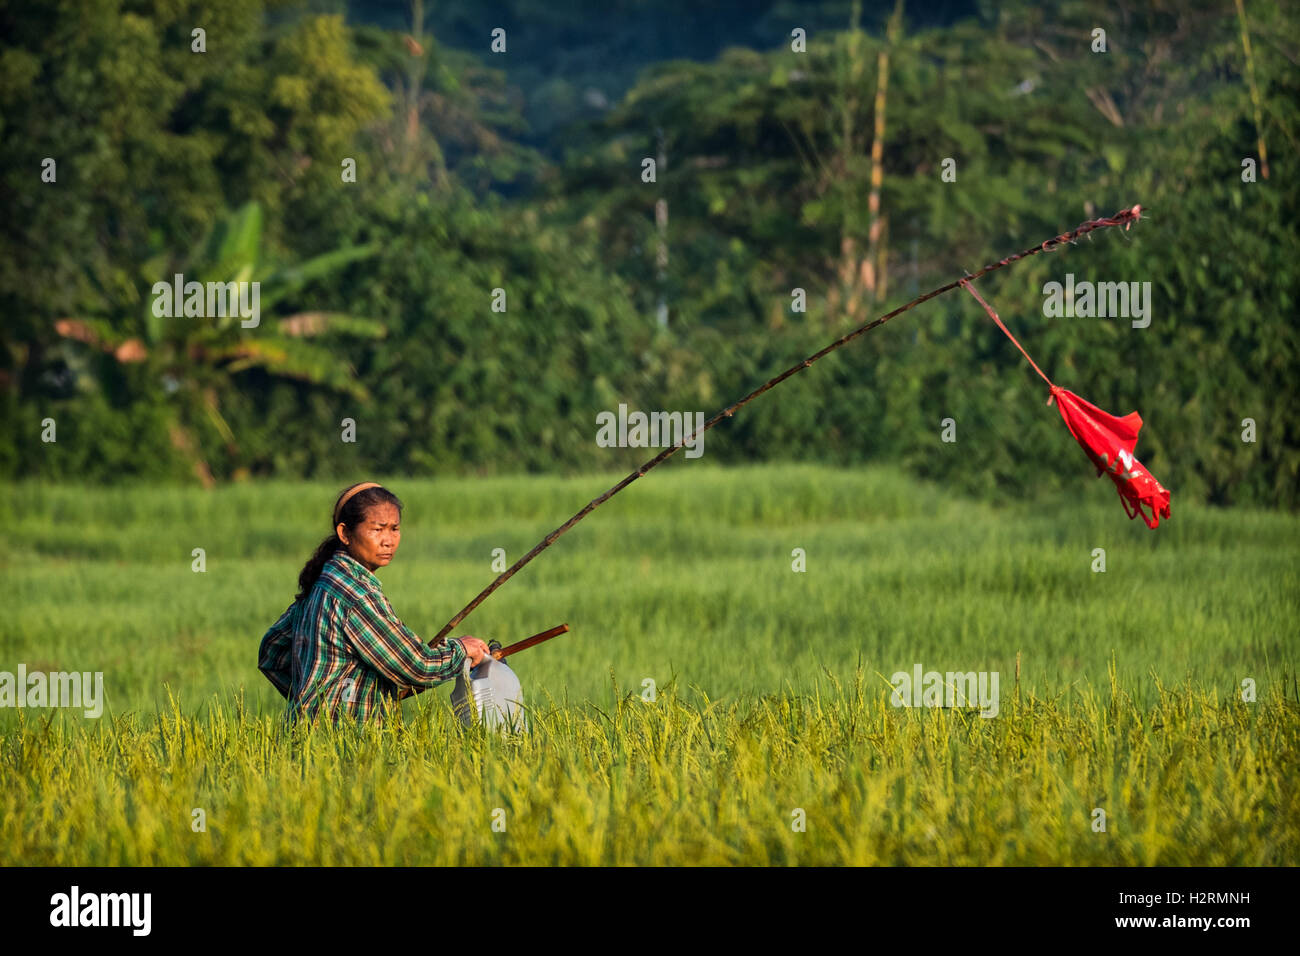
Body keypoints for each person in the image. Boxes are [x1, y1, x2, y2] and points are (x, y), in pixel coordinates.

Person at [257, 480, 489, 725]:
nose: (388, 540)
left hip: (305, 739)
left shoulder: (325, 580)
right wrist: (462, 649)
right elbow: (416, 666)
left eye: (394, 529)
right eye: (377, 530)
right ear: (345, 533)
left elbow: (272, 652)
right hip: (343, 745)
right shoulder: (355, 595)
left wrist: (311, 701)